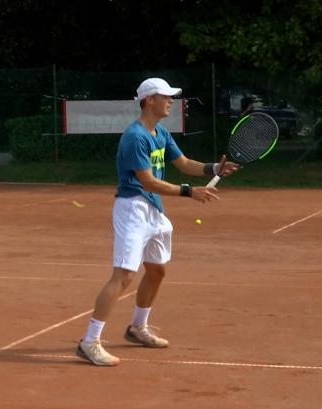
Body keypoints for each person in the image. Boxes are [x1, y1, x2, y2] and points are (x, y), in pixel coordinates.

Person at [76, 77, 239, 366]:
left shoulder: (160, 132)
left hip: (153, 210)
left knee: (157, 271)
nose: (170, 101)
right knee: (124, 275)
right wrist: (190, 192)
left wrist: (215, 168)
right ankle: (90, 341)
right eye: (166, 96)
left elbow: (185, 163)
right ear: (149, 99)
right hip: (132, 209)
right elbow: (148, 182)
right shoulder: (135, 136)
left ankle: (138, 327)